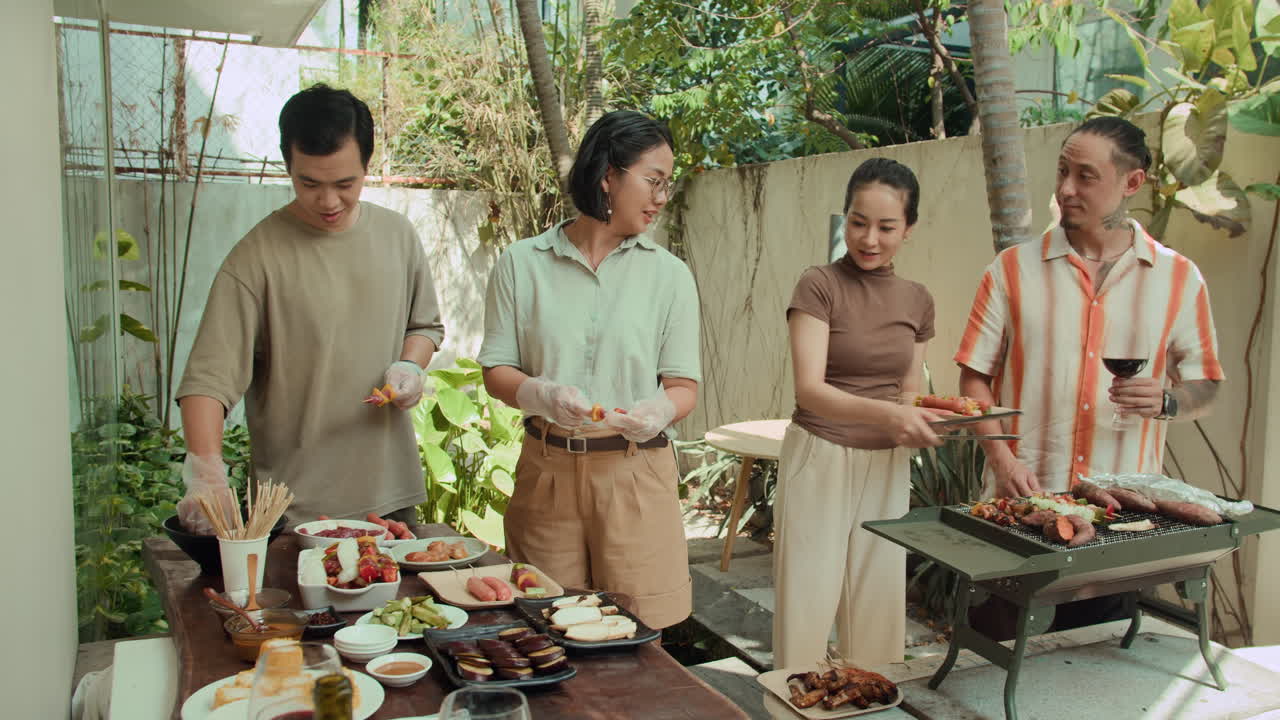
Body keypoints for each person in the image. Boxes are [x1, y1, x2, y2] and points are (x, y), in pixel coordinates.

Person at [955, 116, 1224, 633]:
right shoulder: (1010, 270)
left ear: (1132, 182)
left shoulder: (1179, 279)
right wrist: (1000, 456)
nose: (1065, 189)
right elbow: (974, 379)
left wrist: (1169, 401)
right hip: (1018, 514)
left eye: (1085, 175)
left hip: (1119, 527)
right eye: (1062, 171)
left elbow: (1206, 384)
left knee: (1093, 667)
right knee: (994, 671)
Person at [175, 84, 445, 531]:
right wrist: (207, 478)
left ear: (366, 165)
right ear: (288, 165)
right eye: (309, 183)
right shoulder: (256, 257)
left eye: (345, 183)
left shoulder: (398, 236)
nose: (329, 202)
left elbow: (424, 326)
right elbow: (208, 381)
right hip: (294, 510)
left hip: (392, 498)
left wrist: (409, 367)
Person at [477, 110, 700, 630]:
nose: (661, 197)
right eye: (653, 181)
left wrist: (659, 410)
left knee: (640, 639)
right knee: (544, 627)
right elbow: (496, 371)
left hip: (635, 473)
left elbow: (684, 386)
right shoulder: (521, 262)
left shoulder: (670, 275)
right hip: (547, 473)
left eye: (668, 184)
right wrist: (542, 394)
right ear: (608, 175)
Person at [772, 158, 945, 669]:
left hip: (886, 462)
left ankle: (870, 699)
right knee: (806, 601)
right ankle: (793, 702)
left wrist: (924, 425)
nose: (869, 238)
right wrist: (890, 417)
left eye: (886, 227)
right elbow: (811, 391)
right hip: (820, 453)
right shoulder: (818, 284)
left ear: (908, 229)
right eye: (858, 222)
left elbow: (909, 391)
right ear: (845, 218)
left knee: (878, 604)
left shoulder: (918, 300)